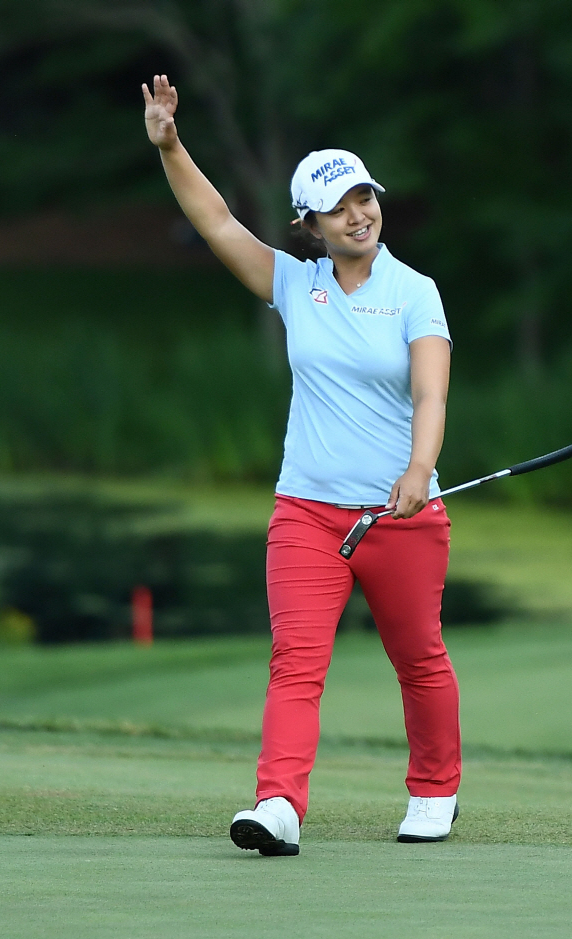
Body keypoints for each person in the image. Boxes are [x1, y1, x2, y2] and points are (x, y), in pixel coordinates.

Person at [143, 74, 461, 857]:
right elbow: (215, 222)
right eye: (339, 206)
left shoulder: (416, 292)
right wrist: (172, 145)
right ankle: (279, 803)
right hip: (307, 512)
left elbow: (431, 394)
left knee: (418, 657)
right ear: (310, 223)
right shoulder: (296, 285)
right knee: (295, 662)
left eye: (365, 198)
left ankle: (434, 791)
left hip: (399, 513)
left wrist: (421, 469)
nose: (359, 214)